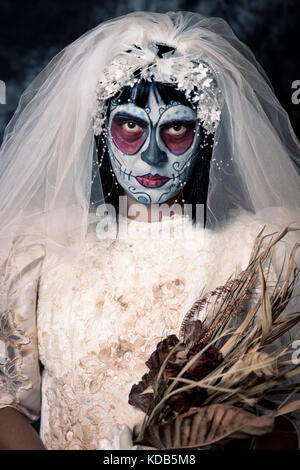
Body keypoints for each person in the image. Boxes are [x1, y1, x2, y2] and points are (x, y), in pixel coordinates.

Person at [0, 11, 300, 450]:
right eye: (131, 126)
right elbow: (7, 403)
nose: (152, 156)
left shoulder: (263, 249)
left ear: (206, 135)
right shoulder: (40, 248)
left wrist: (242, 432)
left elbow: (287, 418)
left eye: (176, 127)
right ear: (103, 132)